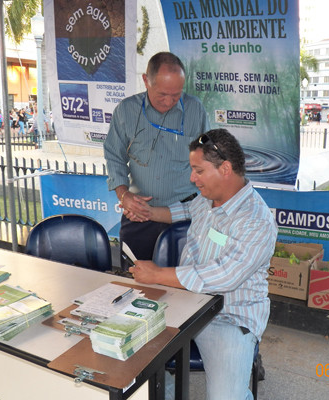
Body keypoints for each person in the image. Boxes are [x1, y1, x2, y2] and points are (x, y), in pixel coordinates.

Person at [129, 128, 278, 400]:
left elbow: (224, 276)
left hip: (229, 318)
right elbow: (185, 210)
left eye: (198, 171)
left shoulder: (256, 220)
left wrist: (158, 274)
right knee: (129, 354)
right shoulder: (207, 199)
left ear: (225, 169)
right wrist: (149, 213)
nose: (191, 178)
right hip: (183, 303)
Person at [104, 52, 209, 263]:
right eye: (162, 94)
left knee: (185, 288)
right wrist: (124, 196)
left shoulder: (195, 109)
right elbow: (114, 155)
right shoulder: (126, 111)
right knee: (136, 286)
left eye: (176, 94)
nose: (169, 101)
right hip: (138, 216)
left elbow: (207, 161)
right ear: (146, 80)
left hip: (184, 217)